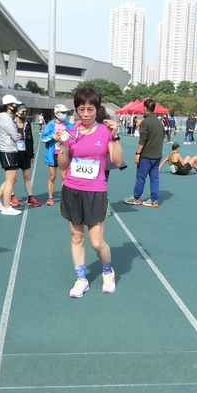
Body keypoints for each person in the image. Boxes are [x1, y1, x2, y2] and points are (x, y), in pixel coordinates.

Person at [57, 87, 124, 297]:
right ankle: (81, 279)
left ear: (97, 109)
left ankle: (108, 271)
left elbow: (117, 161)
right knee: (77, 237)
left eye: (90, 109)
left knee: (96, 242)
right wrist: (63, 145)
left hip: (95, 192)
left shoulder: (105, 131)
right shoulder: (70, 132)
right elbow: (62, 165)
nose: (85, 114)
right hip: (72, 190)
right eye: (81, 109)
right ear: (76, 109)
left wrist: (115, 136)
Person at [124, 98, 164, 208]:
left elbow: (142, 140)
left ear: (145, 108)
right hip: (157, 155)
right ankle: (154, 200)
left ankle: (136, 197)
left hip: (146, 155)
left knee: (141, 177)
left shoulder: (145, 122)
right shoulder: (159, 122)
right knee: (155, 178)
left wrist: (138, 153)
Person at [0, 94, 23, 216]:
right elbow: (15, 136)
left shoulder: (8, 118)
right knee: (10, 181)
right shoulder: (6, 119)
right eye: (15, 104)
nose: (17, 107)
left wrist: (17, 135)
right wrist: (18, 135)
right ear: (9, 106)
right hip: (7, 151)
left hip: (10, 151)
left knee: (13, 179)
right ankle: (6, 207)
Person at [10, 104, 41, 207]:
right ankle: (12, 196)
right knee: (13, 178)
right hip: (13, 153)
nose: (24, 113)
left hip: (25, 153)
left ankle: (30, 197)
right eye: (22, 111)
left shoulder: (27, 124)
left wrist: (31, 155)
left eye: (25, 112)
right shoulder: (11, 123)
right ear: (16, 112)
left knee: (27, 177)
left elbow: (30, 140)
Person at [41, 104, 72, 206]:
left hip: (63, 153)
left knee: (64, 177)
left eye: (65, 113)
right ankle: (50, 197)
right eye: (63, 112)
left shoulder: (68, 125)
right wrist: (52, 136)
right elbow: (43, 138)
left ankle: (64, 198)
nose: (64, 114)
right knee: (52, 177)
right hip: (53, 154)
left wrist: (66, 133)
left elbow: (74, 137)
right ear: (56, 113)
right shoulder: (50, 125)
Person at [96, 106, 127, 181]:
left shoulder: (105, 128)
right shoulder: (107, 127)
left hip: (99, 161)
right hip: (103, 161)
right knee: (103, 181)